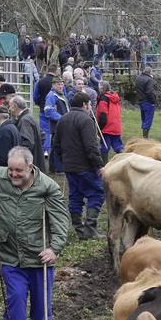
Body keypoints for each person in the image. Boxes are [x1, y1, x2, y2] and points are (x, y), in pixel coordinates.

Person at [0, 147, 70, 320]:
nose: (13, 174)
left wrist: (55, 248)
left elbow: (60, 220)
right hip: (10, 256)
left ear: (30, 168)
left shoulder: (47, 187)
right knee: (14, 302)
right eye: (11, 169)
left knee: (41, 306)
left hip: (39, 258)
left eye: (18, 171)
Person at [56, 92, 106, 240]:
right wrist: (99, 166)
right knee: (96, 193)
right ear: (85, 104)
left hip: (70, 167)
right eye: (90, 104)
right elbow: (91, 147)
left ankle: (79, 228)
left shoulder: (62, 119)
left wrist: (64, 160)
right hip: (86, 167)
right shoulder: (86, 120)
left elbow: (56, 145)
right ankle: (90, 228)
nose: (90, 107)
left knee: (75, 196)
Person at [11, 96, 45, 170]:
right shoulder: (29, 116)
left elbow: (28, 143)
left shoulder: (25, 120)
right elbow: (42, 135)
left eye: (10, 106)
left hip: (31, 164)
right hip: (36, 159)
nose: (9, 109)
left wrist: (21, 159)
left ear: (15, 106)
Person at [96, 81, 125, 159]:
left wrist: (99, 128)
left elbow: (103, 115)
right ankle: (124, 160)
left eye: (99, 86)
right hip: (116, 126)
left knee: (104, 147)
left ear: (102, 88)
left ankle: (104, 165)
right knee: (118, 146)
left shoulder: (103, 99)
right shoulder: (115, 97)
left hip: (107, 127)